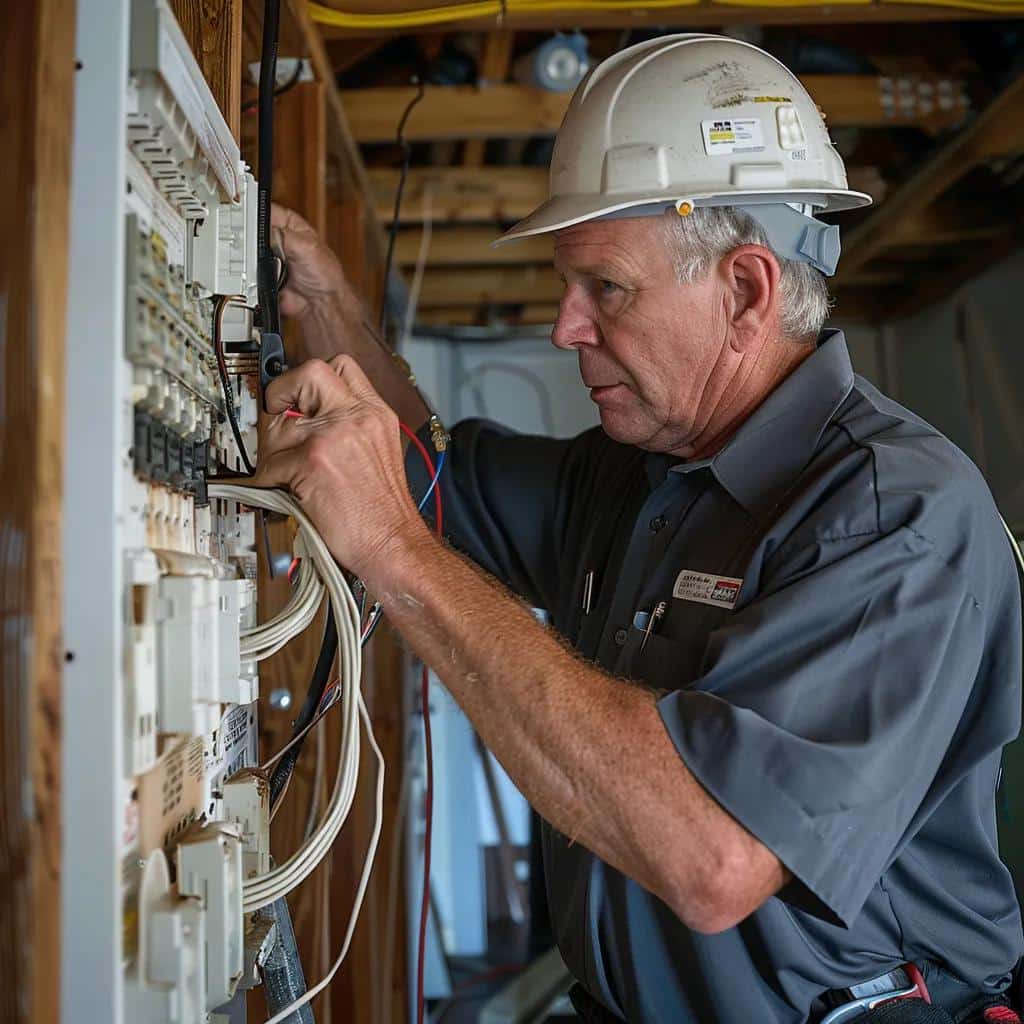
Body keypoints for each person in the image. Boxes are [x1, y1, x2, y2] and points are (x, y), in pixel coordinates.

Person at [258, 35, 1024, 1024]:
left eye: (605, 289)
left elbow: (711, 856)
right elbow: (425, 480)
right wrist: (328, 309)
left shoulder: (893, 516)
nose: (564, 327)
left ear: (745, 291)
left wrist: (395, 557)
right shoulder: (636, 471)